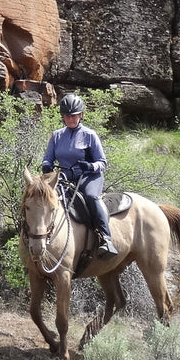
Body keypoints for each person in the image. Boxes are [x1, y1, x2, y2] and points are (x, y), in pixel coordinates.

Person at [41, 93, 118, 260]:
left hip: (89, 176)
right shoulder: (56, 136)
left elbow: (102, 162)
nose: (70, 119)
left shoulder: (90, 135)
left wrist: (90, 166)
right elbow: (48, 157)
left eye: (74, 115)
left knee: (91, 197)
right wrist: (46, 165)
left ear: (81, 115)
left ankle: (106, 239)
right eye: (67, 116)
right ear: (63, 117)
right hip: (64, 178)